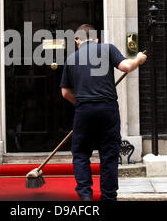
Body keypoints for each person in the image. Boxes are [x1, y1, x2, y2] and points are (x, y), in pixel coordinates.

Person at [60, 24, 147, 201]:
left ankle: (85, 197)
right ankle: (108, 197)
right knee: (108, 155)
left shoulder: (71, 58)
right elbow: (125, 67)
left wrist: (83, 103)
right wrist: (138, 59)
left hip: (84, 111)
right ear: (96, 39)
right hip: (107, 109)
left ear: (78, 40)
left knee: (81, 154)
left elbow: (65, 93)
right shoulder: (107, 49)